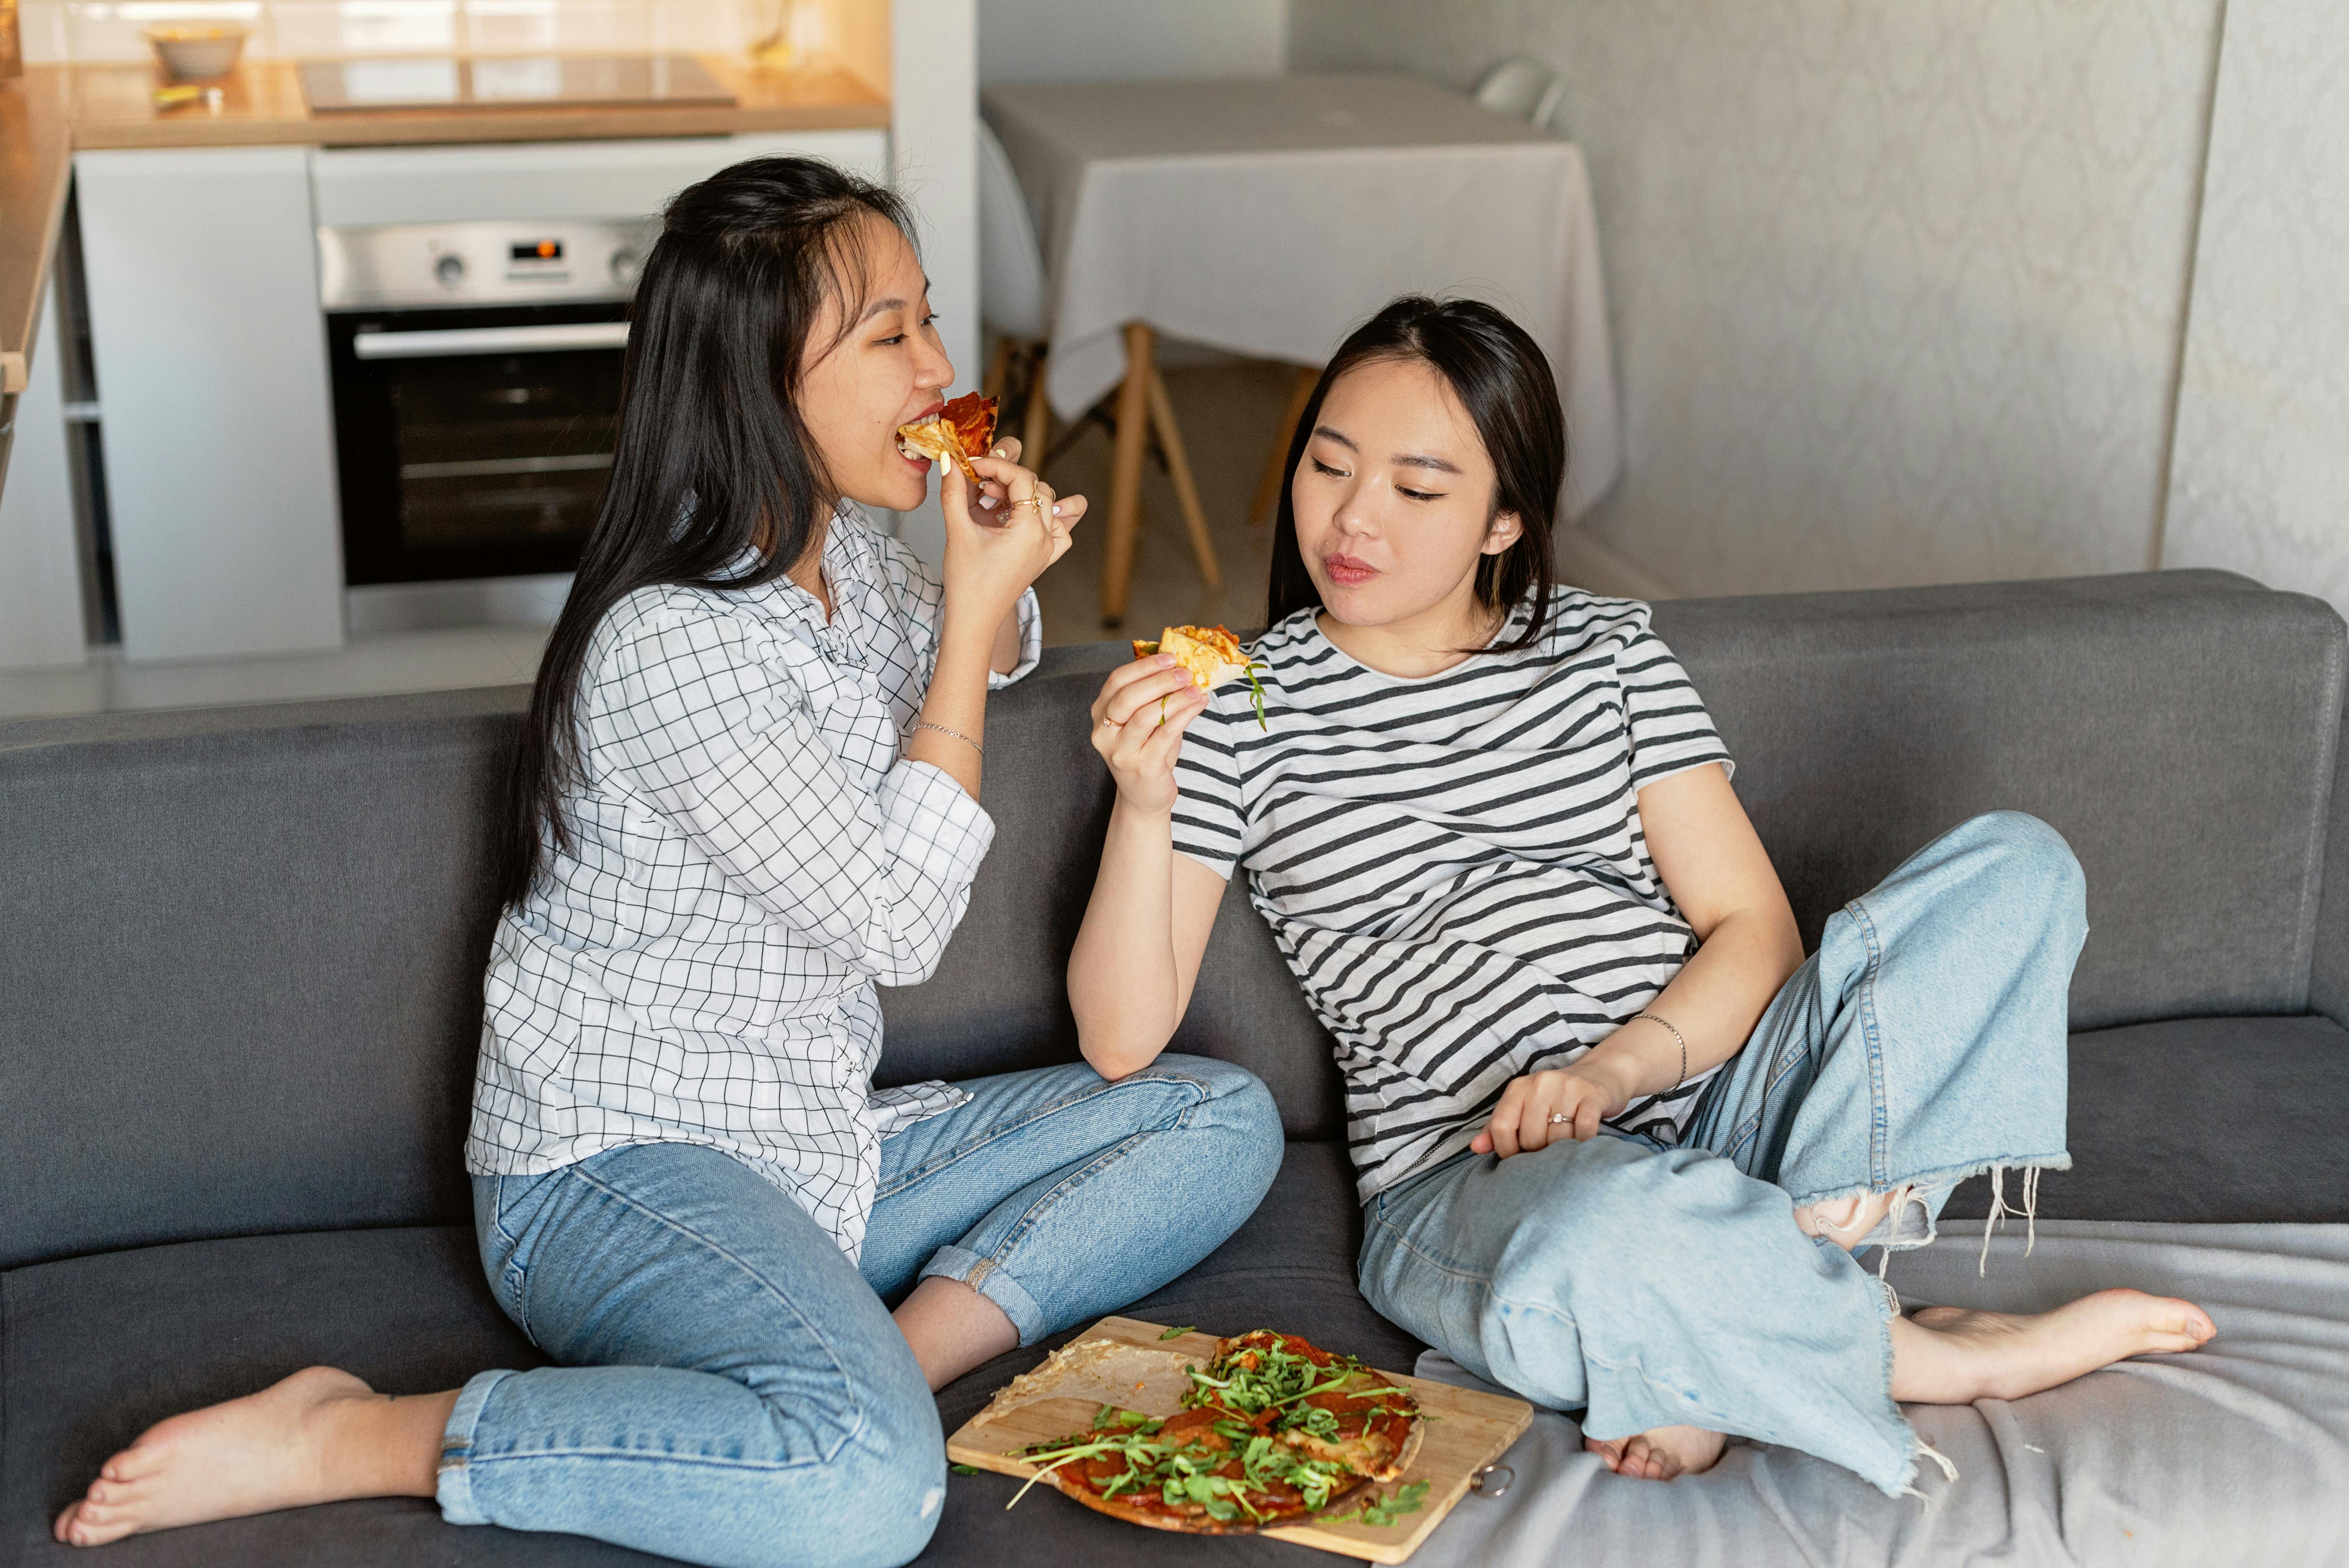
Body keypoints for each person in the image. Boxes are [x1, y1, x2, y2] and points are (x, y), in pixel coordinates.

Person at [52, 157, 1283, 1566]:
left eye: (928, 319)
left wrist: (986, 577)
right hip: (615, 1170)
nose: (941, 366)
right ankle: (355, 1429)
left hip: (817, 1152)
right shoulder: (672, 644)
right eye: (889, 337)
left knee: (1215, 1118)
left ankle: (879, 1354)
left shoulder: (850, 566)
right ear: (760, 382)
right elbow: (898, 919)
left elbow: (986, 669)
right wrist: (969, 617)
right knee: (871, 1492)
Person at [1066, 294, 2215, 1496]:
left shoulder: (1607, 653)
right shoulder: (1235, 705)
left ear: (1504, 518)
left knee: (2019, 870)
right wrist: (1146, 804)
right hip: (1480, 1177)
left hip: (1721, 1100)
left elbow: (1752, 933)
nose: (1351, 520)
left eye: (1418, 490)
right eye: (1327, 465)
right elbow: (1119, 1035)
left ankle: (1719, 1324)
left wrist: (1614, 1072)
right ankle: (1934, 1355)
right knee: (1604, 1231)